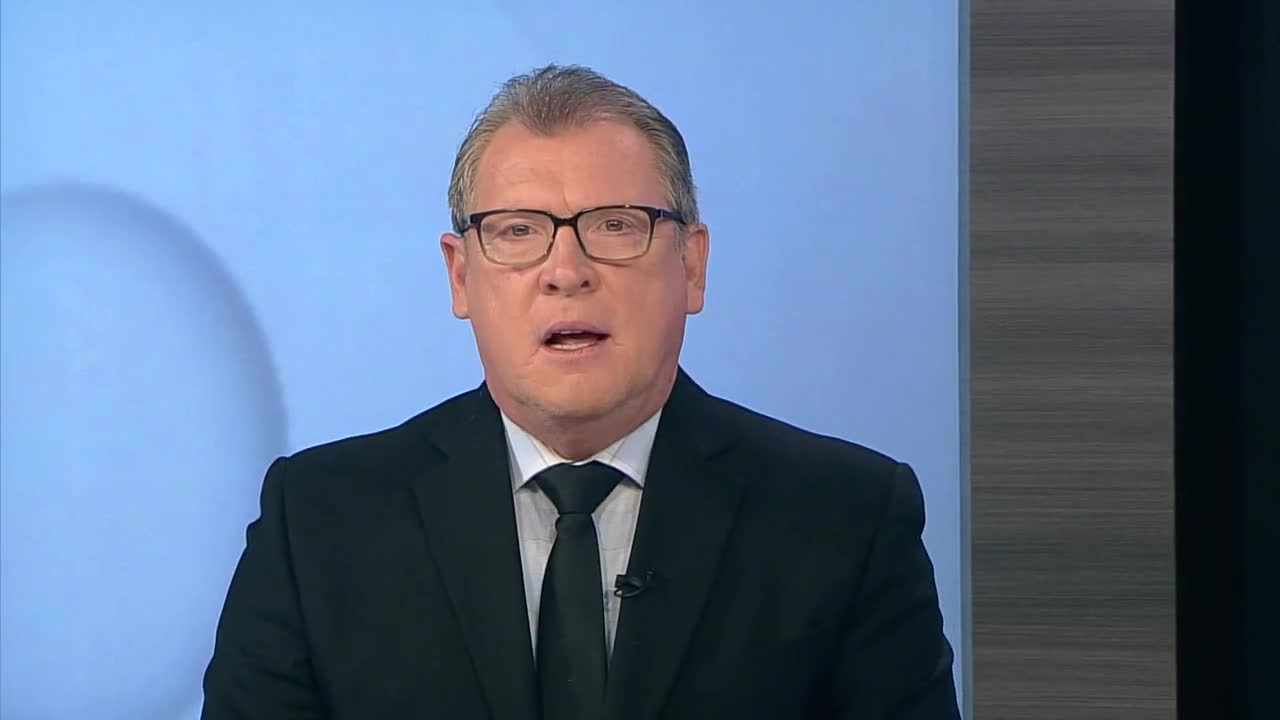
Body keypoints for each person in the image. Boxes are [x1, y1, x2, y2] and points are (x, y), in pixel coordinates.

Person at [202, 64, 960, 719]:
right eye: (517, 231)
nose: (566, 271)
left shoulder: (845, 519)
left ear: (692, 266)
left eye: (616, 225)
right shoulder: (320, 522)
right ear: (460, 275)